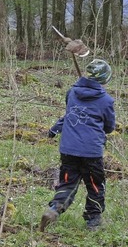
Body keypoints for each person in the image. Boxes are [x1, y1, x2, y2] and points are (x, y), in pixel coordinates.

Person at [40, 59, 115, 232]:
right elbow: (109, 127)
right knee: (95, 185)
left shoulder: (72, 92)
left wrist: (54, 129)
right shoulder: (106, 100)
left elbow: (69, 115)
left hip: (68, 149)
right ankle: (93, 220)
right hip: (91, 152)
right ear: (104, 80)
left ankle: (54, 209)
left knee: (67, 183)